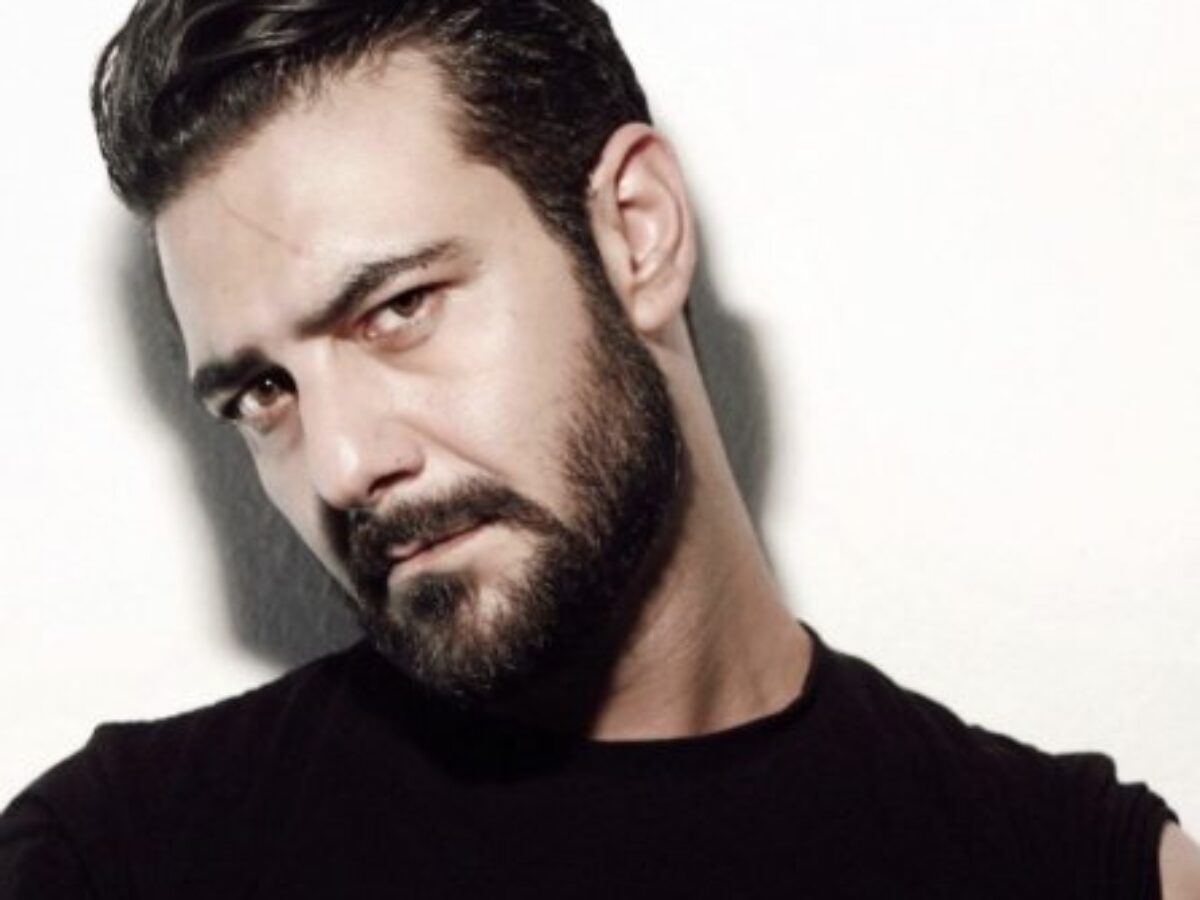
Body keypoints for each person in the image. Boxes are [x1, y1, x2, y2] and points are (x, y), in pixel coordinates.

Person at [1, 0, 1196, 896]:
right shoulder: (118, 857)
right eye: (265, 392)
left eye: (399, 308)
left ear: (636, 235)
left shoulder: (1080, 869)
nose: (343, 465)